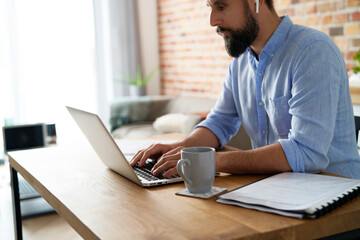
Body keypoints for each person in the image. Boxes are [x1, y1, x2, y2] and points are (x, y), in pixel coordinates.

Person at [131, 0, 360, 179]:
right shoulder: (239, 65)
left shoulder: (312, 52)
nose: (212, 20)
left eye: (221, 6)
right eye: (210, 7)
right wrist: (178, 149)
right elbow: (218, 123)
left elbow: (306, 153)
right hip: (280, 190)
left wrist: (211, 161)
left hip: (337, 203)